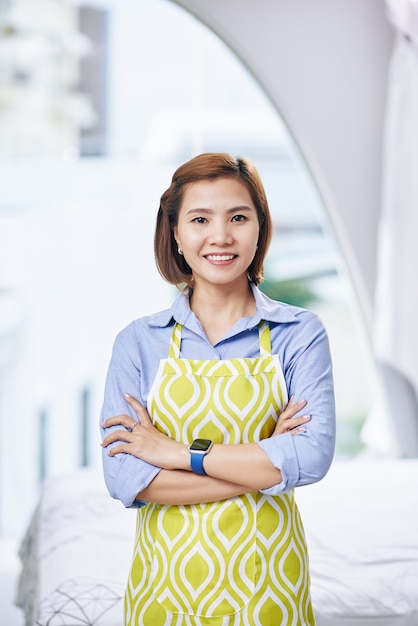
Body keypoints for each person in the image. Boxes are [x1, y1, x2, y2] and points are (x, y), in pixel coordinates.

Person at [100, 152, 336, 626]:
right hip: (163, 590)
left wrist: (176, 453)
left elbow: (310, 459)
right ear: (176, 235)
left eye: (238, 217)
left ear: (260, 228)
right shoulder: (138, 343)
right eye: (200, 219)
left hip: (268, 586)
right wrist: (267, 464)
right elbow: (126, 480)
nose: (221, 236)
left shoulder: (300, 333)